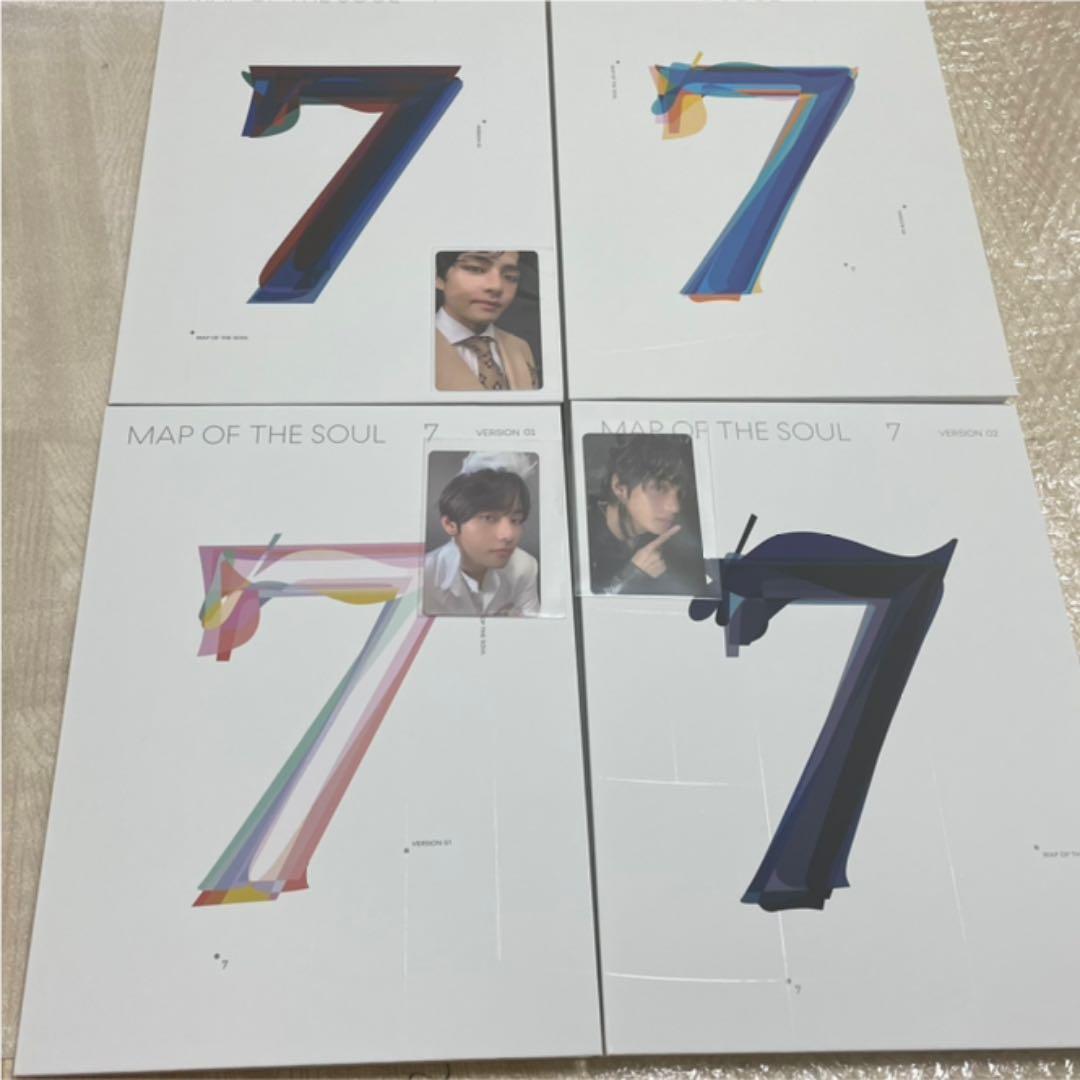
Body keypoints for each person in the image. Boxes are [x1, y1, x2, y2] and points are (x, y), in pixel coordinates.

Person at [587, 435, 705, 596]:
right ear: (620, 487)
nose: (675, 507)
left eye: (680, 493)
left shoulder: (676, 540)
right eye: (659, 488)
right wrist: (629, 577)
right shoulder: (579, 537)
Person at [424, 452, 540, 615]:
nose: (508, 535)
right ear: (450, 524)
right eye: (489, 518)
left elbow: (532, 626)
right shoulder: (424, 575)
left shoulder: (524, 566)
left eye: (515, 520)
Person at [435, 251, 540, 391]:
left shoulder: (520, 347)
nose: (497, 286)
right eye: (476, 269)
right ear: (438, 277)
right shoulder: (413, 349)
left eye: (510, 277)